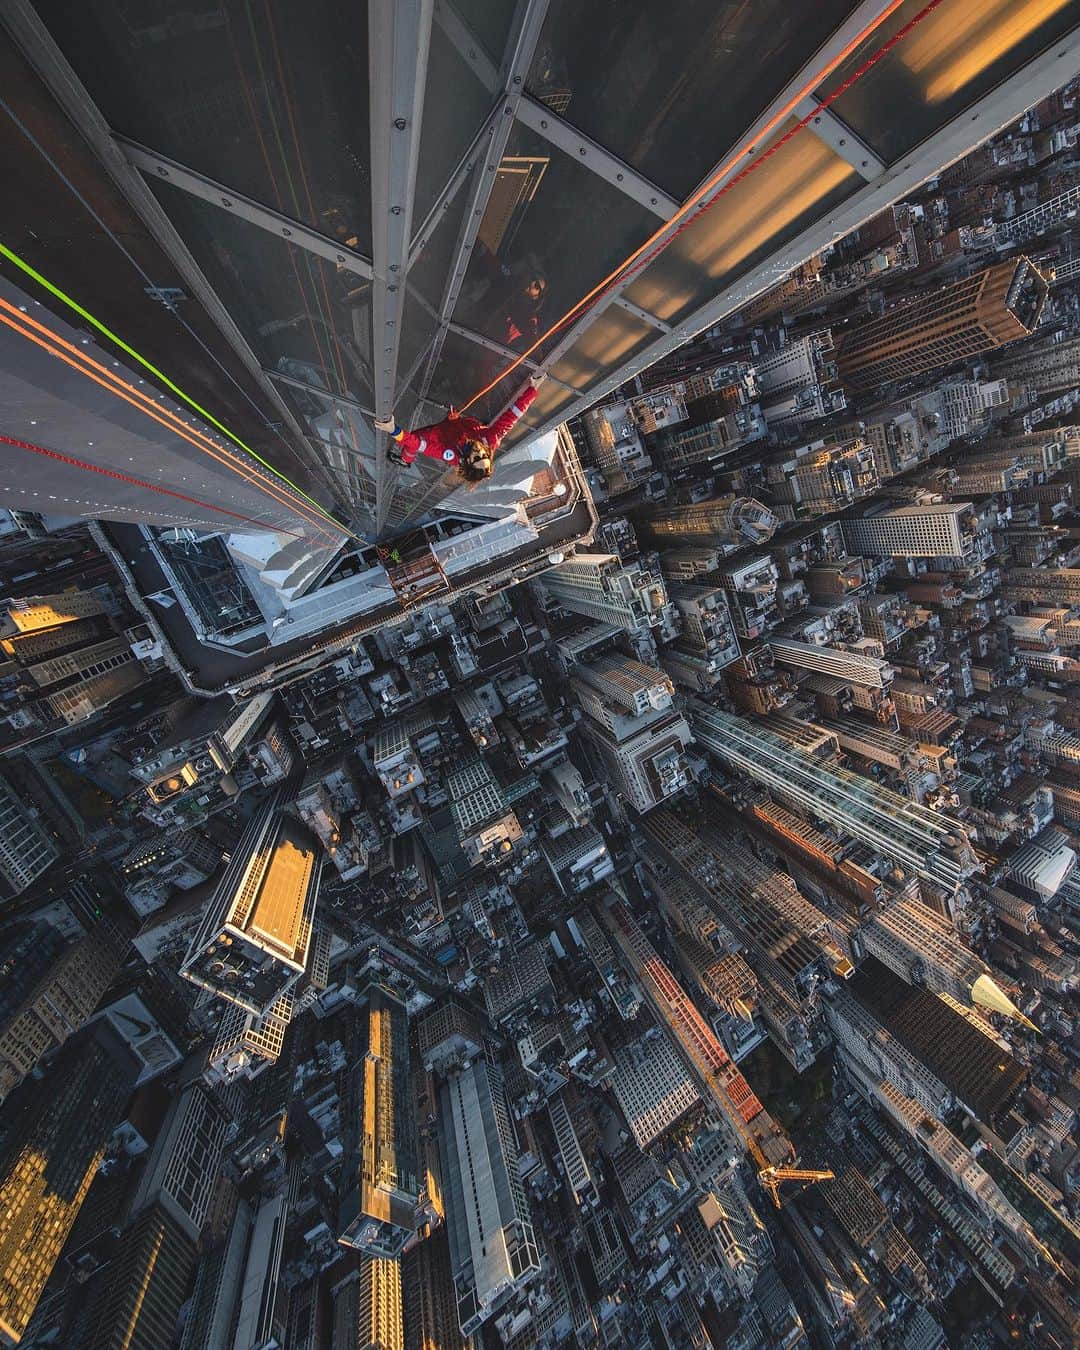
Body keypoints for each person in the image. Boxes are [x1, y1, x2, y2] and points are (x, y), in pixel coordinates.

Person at [374, 377, 545, 484]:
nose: (481, 453)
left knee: (412, 444)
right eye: (485, 457)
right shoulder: (490, 440)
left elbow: (420, 444)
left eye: (477, 458)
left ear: (466, 462)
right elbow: (511, 417)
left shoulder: (451, 455)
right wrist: (532, 391)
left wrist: (393, 430)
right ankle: (406, 459)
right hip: (455, 425)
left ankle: (405, 460)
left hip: (438, 434)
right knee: (413, 441)